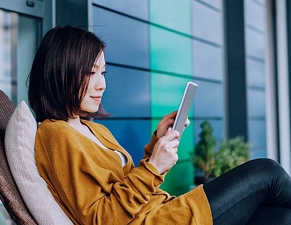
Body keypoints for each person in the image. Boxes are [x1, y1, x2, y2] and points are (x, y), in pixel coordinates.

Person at [28, 25, 291, 224]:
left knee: (279, 217)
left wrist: (157, 146)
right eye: (90, 73)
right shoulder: (55, 134)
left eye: (103, 73)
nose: (102, 84)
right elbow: (100, 218)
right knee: (267, 173)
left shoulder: (92, 128)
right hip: (161, 219)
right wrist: (154, 167)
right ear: (60, 72)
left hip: (164, 210)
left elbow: (127, 185)